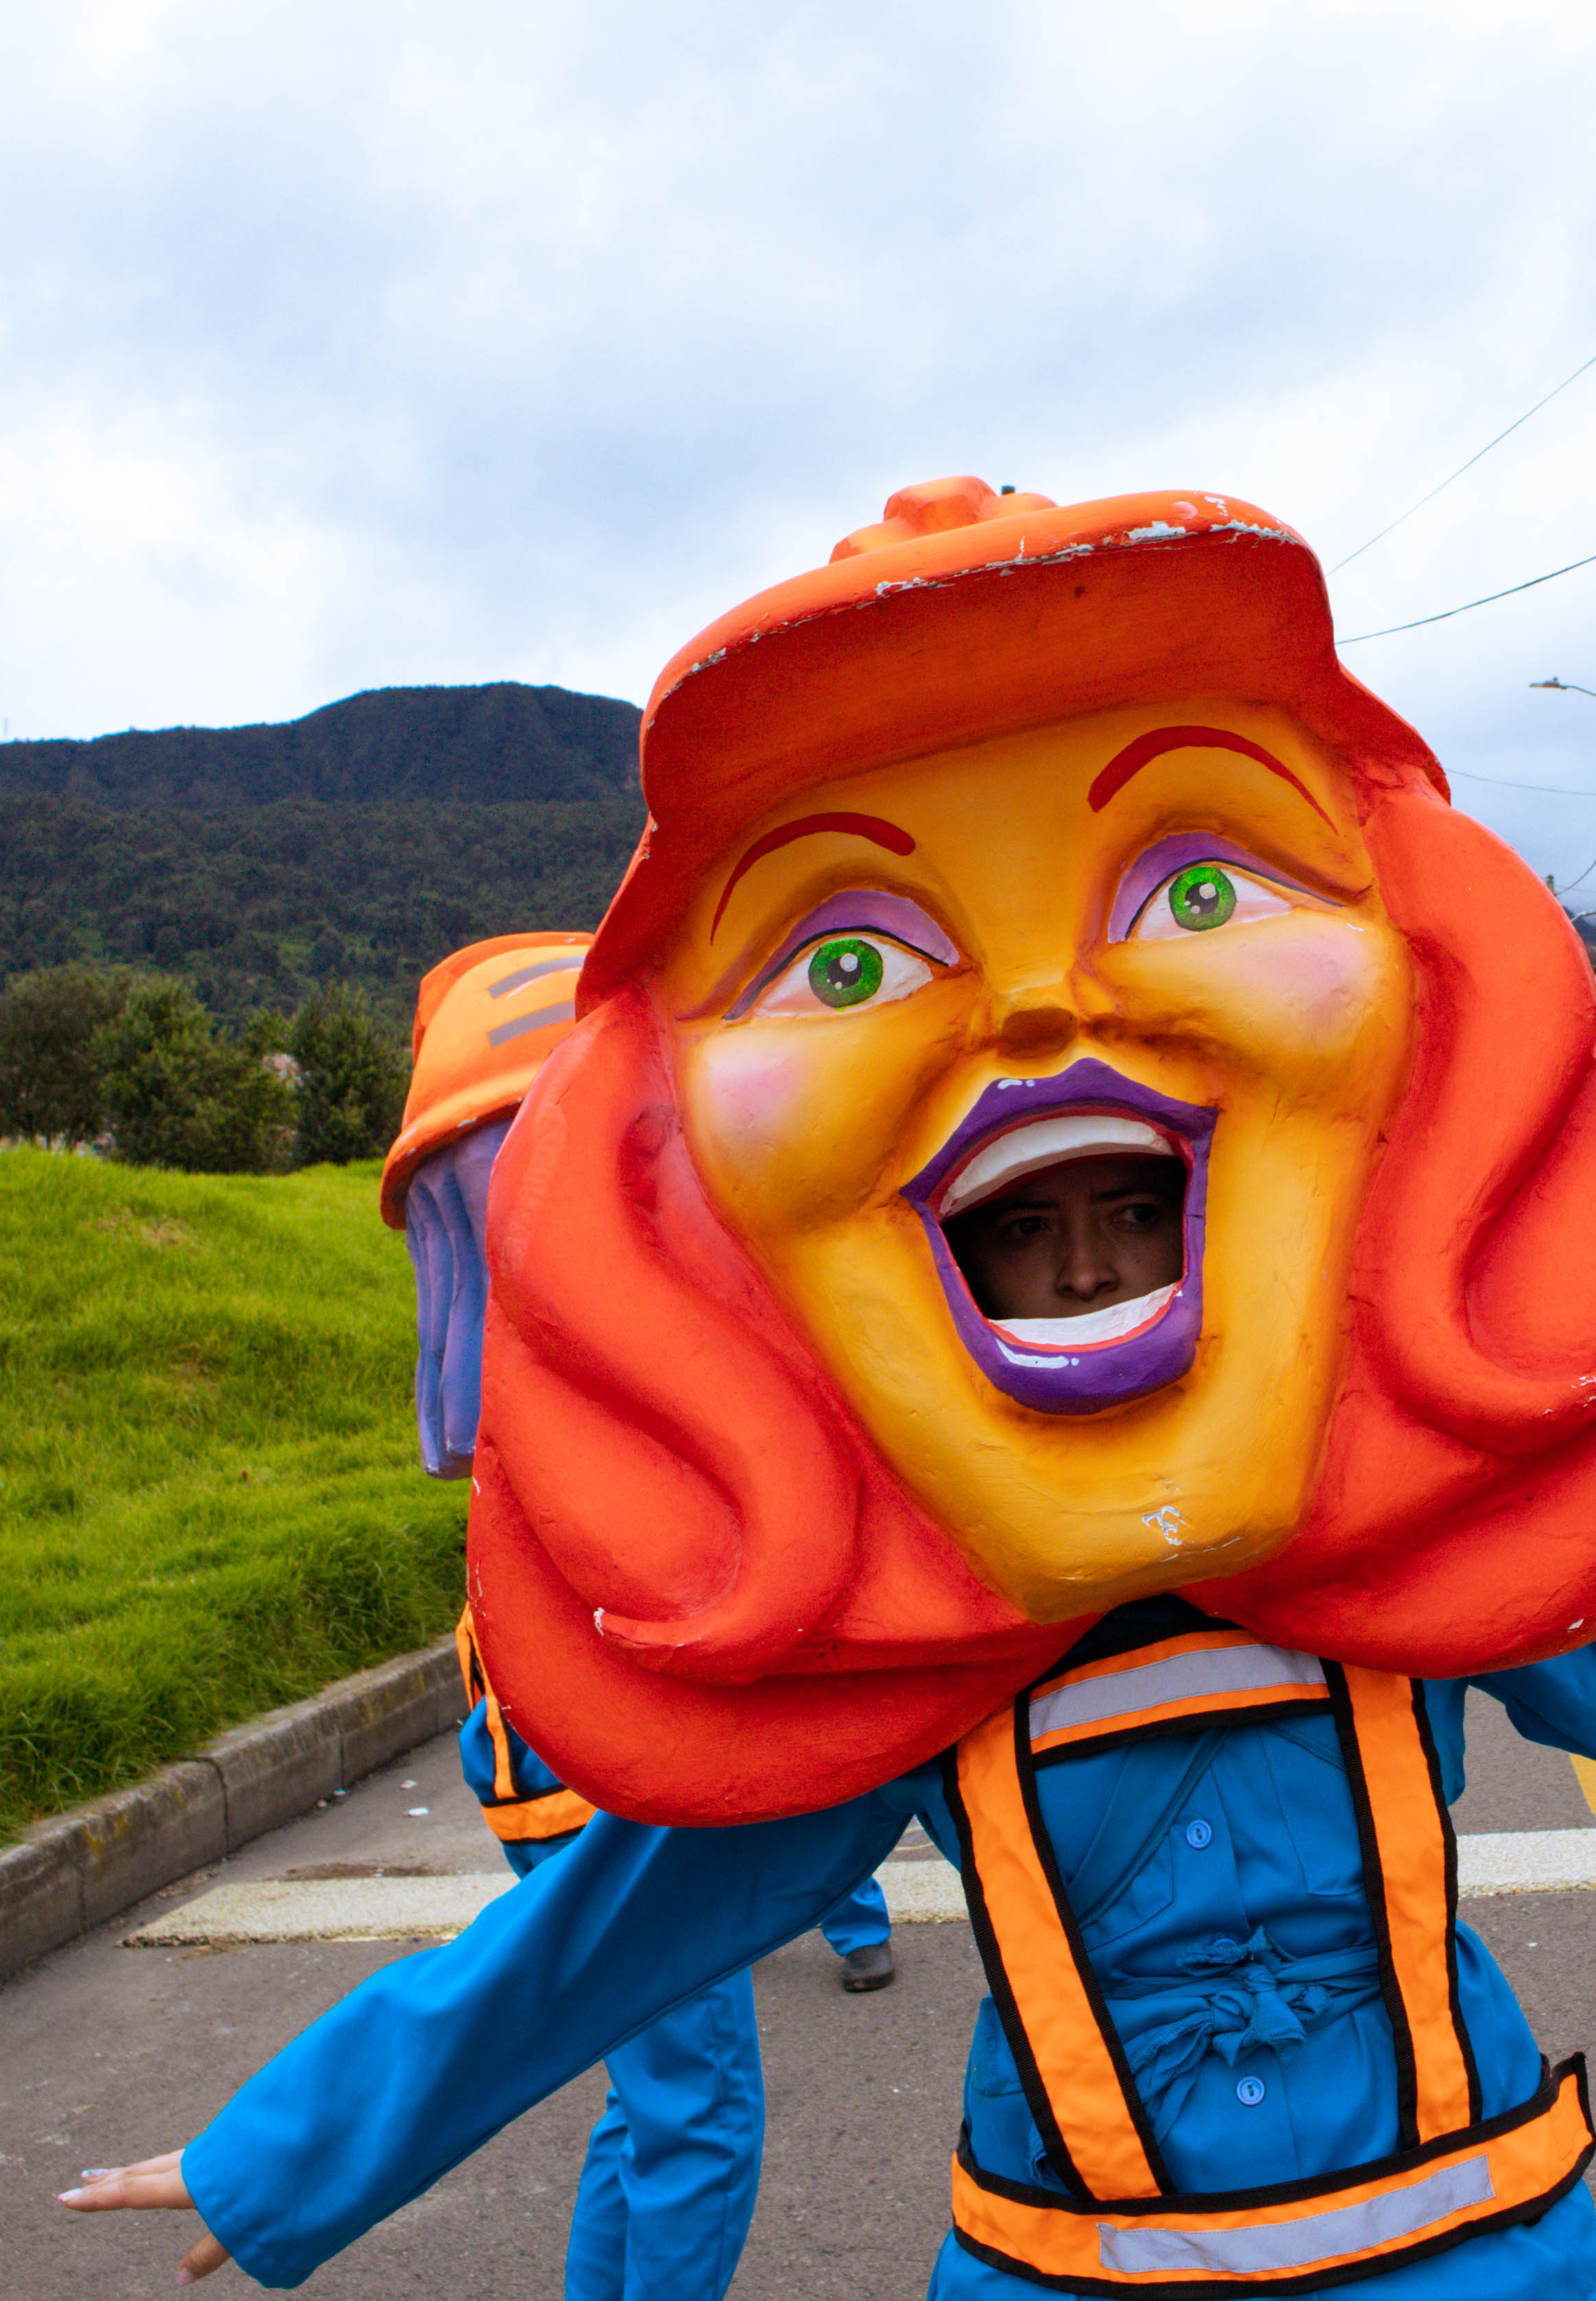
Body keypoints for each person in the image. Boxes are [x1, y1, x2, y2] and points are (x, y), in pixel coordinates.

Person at [63, 477, 1596, 2295]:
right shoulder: (909, 1638)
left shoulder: (1410, 1553)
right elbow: (609, 1931)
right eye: (1024, 1235)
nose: (1077, 1254)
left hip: (1465, 2254)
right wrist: (283, 2158)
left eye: (1123, 1224)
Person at [384, 931, 888, 2301]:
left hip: (535, 1761)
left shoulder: (512, 1378)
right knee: (697, 2110)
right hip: (610, 1770)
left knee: (653, 2094)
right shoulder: (625, 1377)